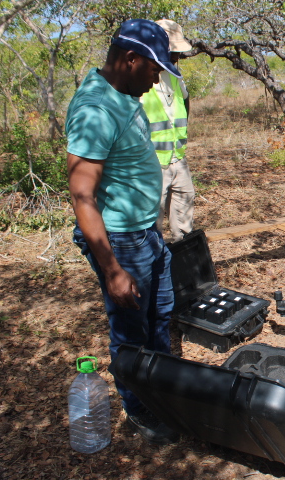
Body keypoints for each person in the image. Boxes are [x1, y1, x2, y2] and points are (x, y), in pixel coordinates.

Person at [66, 19, 182, 445]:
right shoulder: (95, 109)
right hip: (122, 243)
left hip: (145, 233)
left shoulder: (123, 93)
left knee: (159, 319)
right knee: (132, 333)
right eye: (154, 70)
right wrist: (113, 269)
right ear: (130, 59)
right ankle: (140, 409)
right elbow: (83, 196)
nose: (155, 82)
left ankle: (164, 392)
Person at [141, 19, 195, 243]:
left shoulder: (175, 76)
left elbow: (185, 103)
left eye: (178, 53)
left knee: (184, 215)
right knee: (152, 222)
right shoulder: (141, 77)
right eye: (172, 51)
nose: (176, 57)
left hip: (177, 158)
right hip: (152, 163)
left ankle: (183, 263)